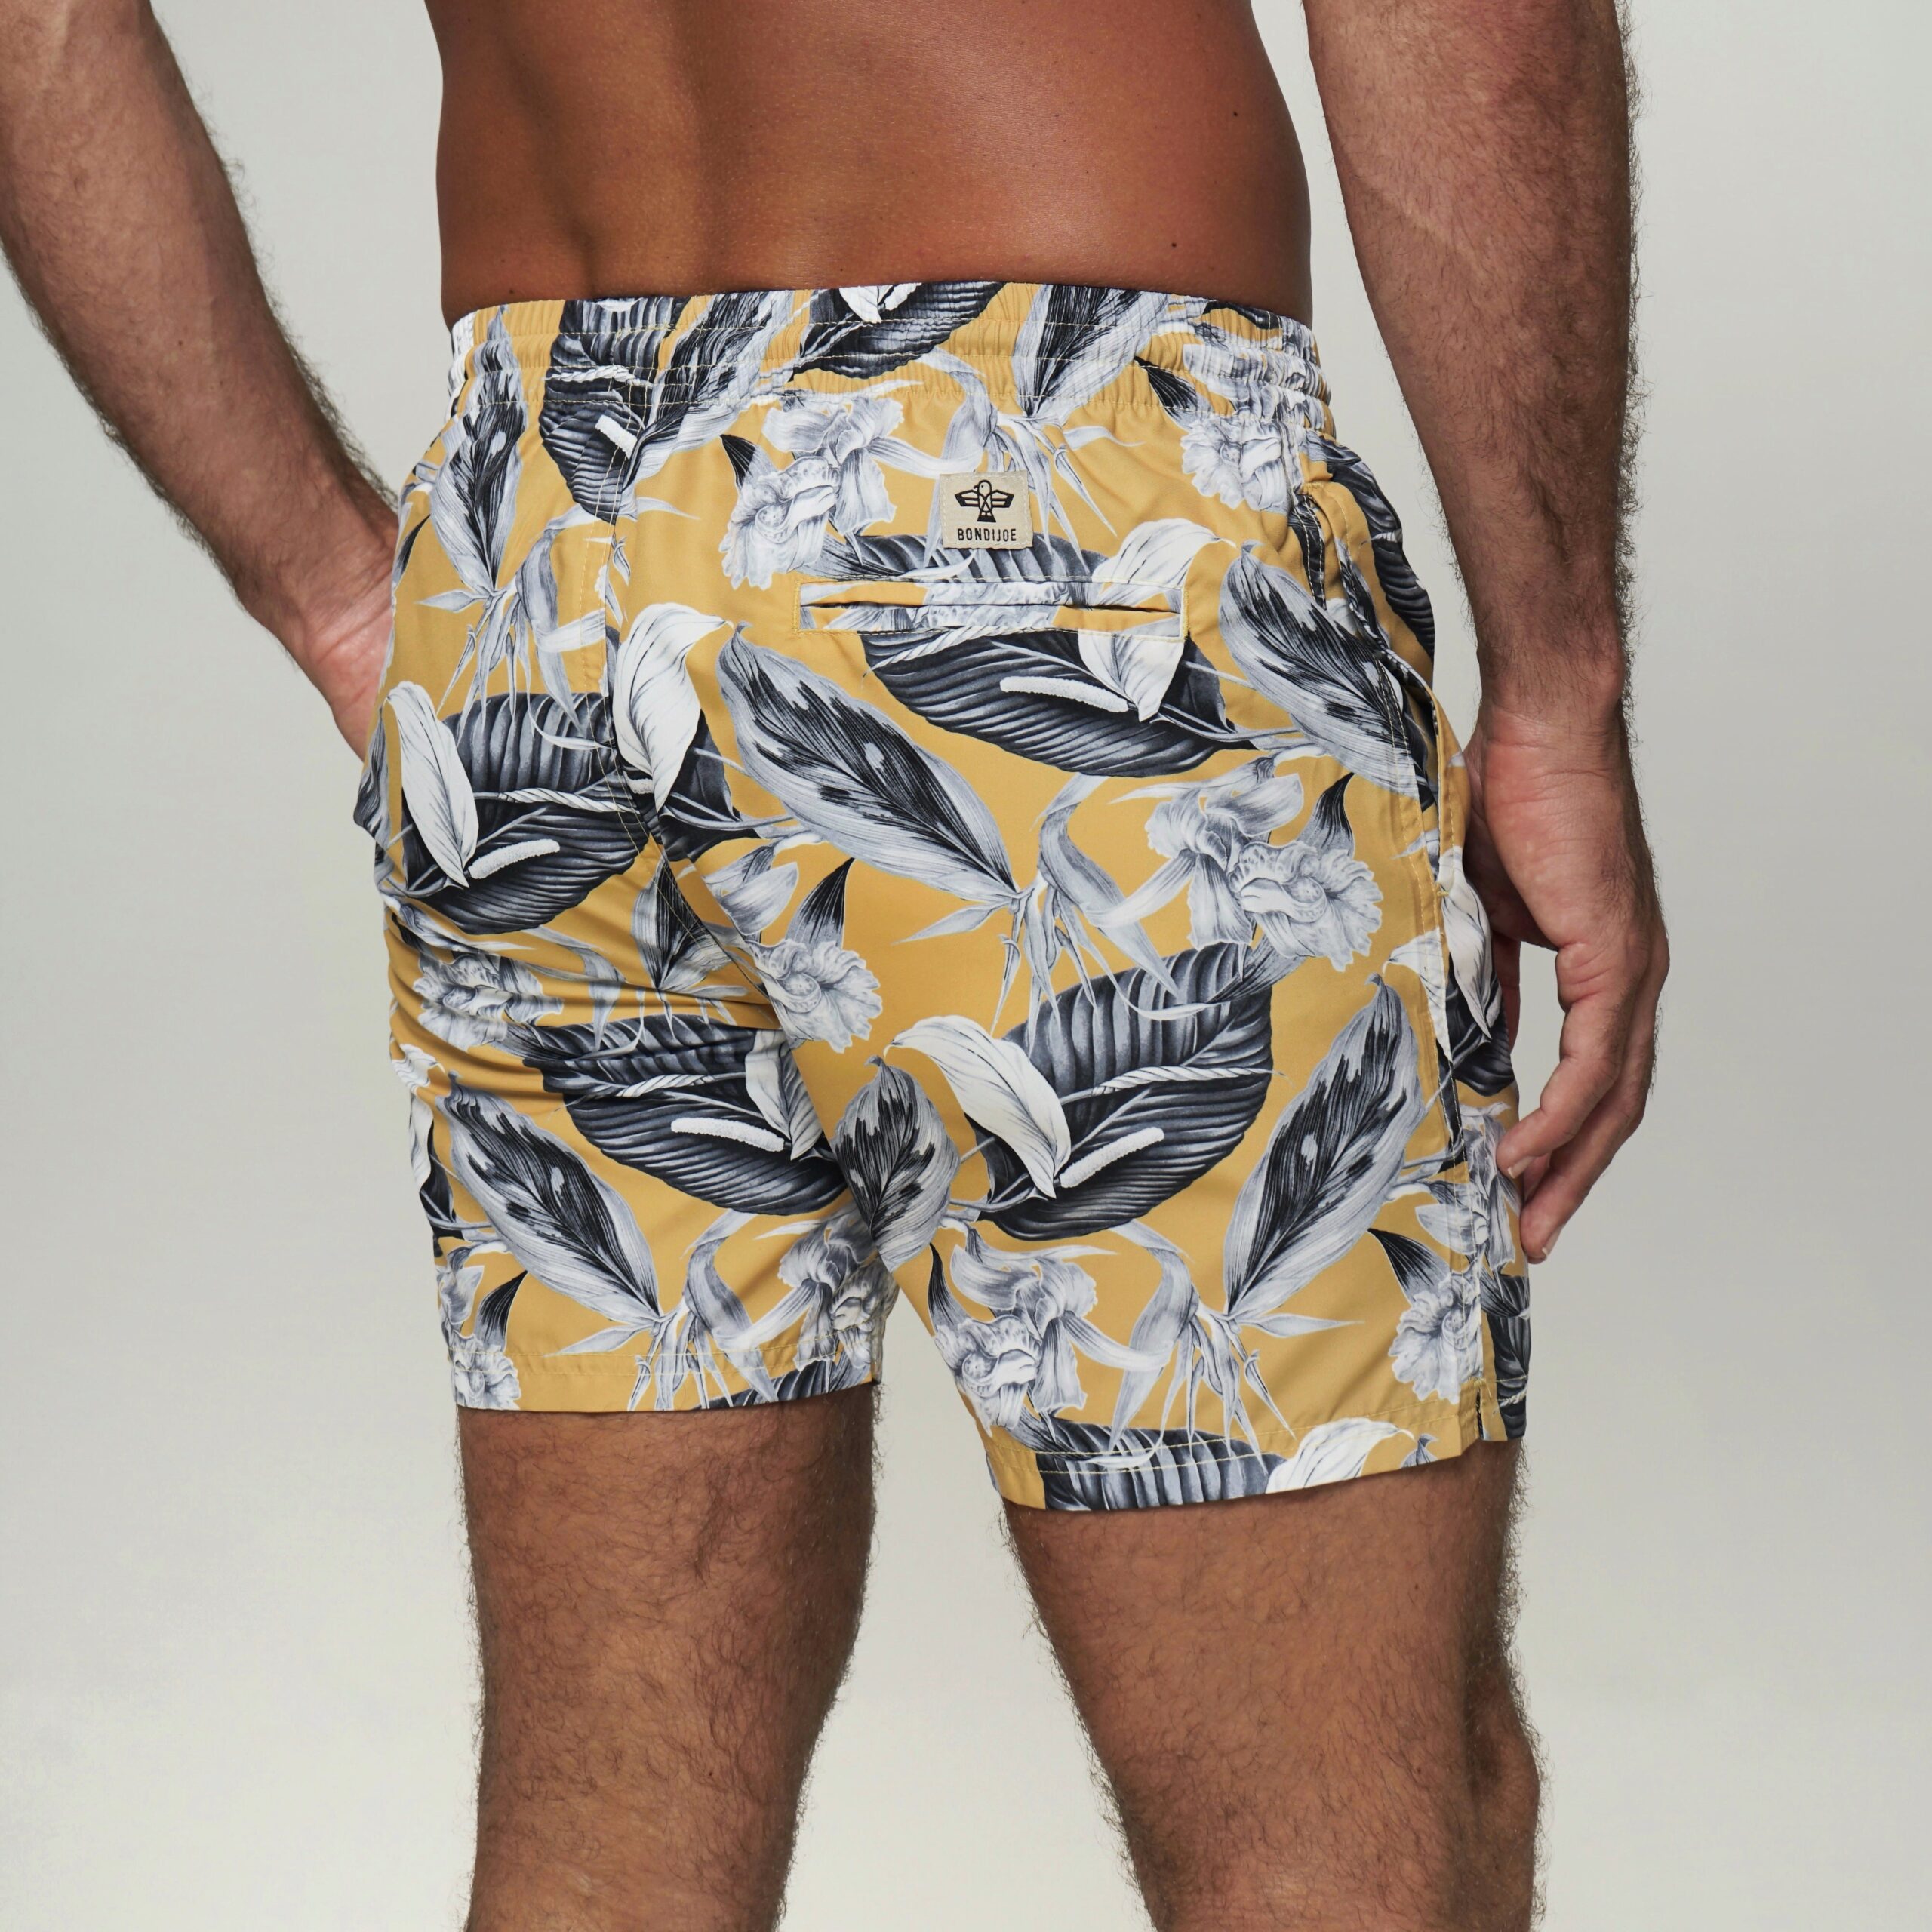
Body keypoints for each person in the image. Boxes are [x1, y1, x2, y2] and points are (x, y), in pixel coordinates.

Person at [0, 2, 1667, 1924]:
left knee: (611, 1852)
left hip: (539, 540)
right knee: (1348, 1846)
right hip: (1044, 516)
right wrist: (1556, 680)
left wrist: (336, 585)